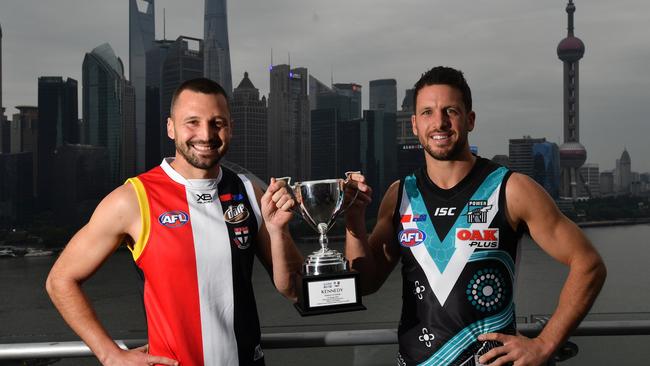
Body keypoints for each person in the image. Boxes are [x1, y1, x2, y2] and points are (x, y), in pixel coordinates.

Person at [344, 66, 606, 366]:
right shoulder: (401, 195)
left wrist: (545, 343)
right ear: (414, 124)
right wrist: (353, 220)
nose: (439, 122)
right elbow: (365, 283)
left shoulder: (511, 189)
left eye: (450, 111)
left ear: (470, 120)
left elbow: (589, 264)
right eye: (427, 112)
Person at [46, 78, 303, 366]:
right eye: (192, 122)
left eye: (217, 122)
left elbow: (292, 289)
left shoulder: (249, 191)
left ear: (230, 127)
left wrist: (279, 230)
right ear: (171, 127)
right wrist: (109, 353)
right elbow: (60, 280)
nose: (206, 134)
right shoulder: (132, 199)